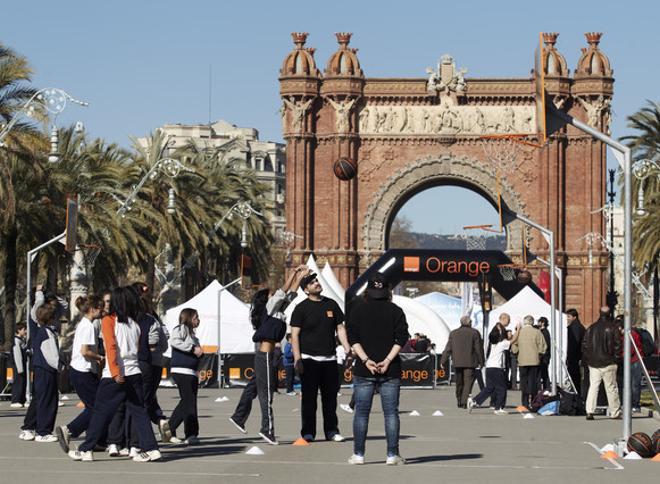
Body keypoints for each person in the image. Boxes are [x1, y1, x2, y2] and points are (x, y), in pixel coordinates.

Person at [66, 286, 161, 462]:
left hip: (115, 374)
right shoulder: (135, 323)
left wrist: (116, 372)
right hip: (135, 372)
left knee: (100, 411)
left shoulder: (109, 320)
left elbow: (110, 347)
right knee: (140, 411)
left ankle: (86, 449)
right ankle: (152, 448)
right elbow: (138, 347)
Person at [229, 265, 304, 444]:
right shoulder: (268, 309)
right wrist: (293, 273)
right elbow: (283, 290)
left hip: (266, 356)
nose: (276, 295)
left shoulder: (277, 311)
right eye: (272, 294)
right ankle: (267, 429)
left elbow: (290, 295)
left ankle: (238, 417)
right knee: (266, 393)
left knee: (253, 387)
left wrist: (301, 276)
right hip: (264, 356)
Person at [346, 272, 409, 465]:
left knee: (362, 412)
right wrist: (388, 360)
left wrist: (366, 360)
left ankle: (358, 454)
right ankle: (392, 455)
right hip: (390, 369)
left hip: (364, 369)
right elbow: (402, 338)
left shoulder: (357, 310)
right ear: (387, 290)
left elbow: (353, 338)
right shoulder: (396, 311)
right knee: (391, 413)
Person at [291, 272, 351, 442]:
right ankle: (308, 432)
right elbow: (294, 335)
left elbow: (340, 328)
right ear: (306, 289)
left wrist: (348, 349)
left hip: (329, 360)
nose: (317, 283)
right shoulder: (301, 308)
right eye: (312, 282)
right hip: (308, 360)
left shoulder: (331, 304)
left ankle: (332, 431)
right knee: (309, 400)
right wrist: (297, 359)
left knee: (330, 399)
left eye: (316, 280)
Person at [56, 296, 105, 453]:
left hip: (81, 370)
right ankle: (69, 430)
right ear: (92, 309)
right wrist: (99, 357)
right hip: (82, 371)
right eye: (100, 308)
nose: (102, 311)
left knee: (95, 405)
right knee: (96, 407)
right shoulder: (89, 326)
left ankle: (95, 438)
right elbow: (85, 351)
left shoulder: (84, 324)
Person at [133, 282, 171, 443]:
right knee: (148, 398)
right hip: (154, 363)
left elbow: (155, 343)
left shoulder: (142, 319)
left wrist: (145, 349)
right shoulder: (153, 317)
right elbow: (165, 336)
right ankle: (159, 419)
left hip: (142, 363)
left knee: (139, 401)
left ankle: (138, 440)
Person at [19, 304, 60, 442]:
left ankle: (28, 427)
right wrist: (61, 366)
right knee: (48, 400)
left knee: (39, 399)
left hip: (41, 369)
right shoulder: (46, 332)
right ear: (51, 318)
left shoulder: (43, 331)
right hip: (46, 370)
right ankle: (43, 431)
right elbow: (52, 355)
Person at [468, 322, 521, 415]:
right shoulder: (502, 344)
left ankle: (474, 401)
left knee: (489, 388)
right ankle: (498, 408)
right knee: (502, 388)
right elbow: (513, 340)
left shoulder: (492, 344)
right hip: (497, 368)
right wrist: (519, 329)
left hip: (489, 368)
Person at [168, 308, 202, 445]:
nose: (198, 320)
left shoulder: (194, 336)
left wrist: (198, 370)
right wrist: (192, 348)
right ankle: (170, 428)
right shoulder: (181, 329)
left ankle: (191, 433)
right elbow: (174, 341)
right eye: (195, 317)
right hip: (181, 371)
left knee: (191, 402)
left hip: (191, 372)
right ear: (188, 318)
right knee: (188, 401)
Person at [582, 307, 621, 421]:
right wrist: (616, 358)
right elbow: (618, 345)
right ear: (609, 314)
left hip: (594, 362)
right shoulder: (613, 327)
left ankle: (589, 411)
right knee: (611, 387)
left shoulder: (592, 328)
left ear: (599, 313)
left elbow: (585, 345)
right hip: (609, 362)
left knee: (593, 387)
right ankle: (614, 412)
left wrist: (589, 357)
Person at [440, 315, 484, 409]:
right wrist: (482, 361)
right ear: (469, 323)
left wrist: (443, 361)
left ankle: (459, 400)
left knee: (459, 382)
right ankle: (464, 401)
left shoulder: (453, 333)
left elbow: (448, 348)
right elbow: (478, 349)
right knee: (468, 382)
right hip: (470, 362)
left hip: (457, 362)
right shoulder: (474, 333)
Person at [511, 315, 547, 410]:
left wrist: (516, 352)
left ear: (524, 322)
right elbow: (543, 346)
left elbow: (514, 345)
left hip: (522, 360)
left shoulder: (519, 332)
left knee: (524, 382)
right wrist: (540, 353)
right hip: (534, 360)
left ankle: (525, 403)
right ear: (532, 322)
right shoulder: (537, 332)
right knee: (533, 382)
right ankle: (534, 403)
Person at [565, 308, 585, 395]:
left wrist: (570, 356)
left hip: (574, 358)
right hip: (576, 357)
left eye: (569, 316)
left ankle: (576, 396)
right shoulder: (577, 326)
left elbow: (575, 343)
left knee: (574, 378)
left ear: (574, 317)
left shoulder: (575, 328)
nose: (567, 318)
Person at [10, 322, 28, 408]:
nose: (26, 331)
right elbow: (17, 355)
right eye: (24, 329)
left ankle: (21, 400)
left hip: (22, 365)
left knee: (22, 383)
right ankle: (15, 400)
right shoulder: (16, 341)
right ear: (18, 330)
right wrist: (20, 368)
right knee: (18, 383)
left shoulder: (21, 340)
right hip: (18, 366)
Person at [537, 317, 552, 391]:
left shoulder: (545, 332)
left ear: (542, 322)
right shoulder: (542, 331)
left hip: (544, 356)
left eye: (539, 322)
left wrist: (542, 354)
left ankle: (546, 387)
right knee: (542, 372)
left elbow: (546, 345)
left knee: (544, 372)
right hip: (544, 356)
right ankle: (544, 387)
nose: (537, 323)